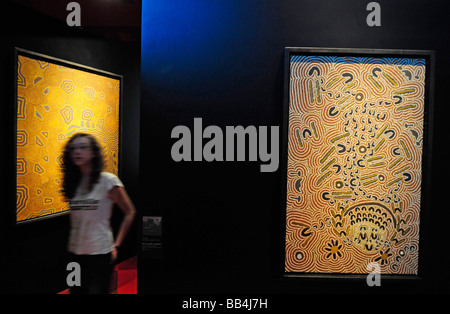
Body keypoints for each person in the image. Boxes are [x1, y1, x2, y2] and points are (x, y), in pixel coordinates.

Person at [61, 132, 136, 294]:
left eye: (83, 147)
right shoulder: (73, 183)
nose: (77, 152)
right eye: (74, 149)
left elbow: (130, 212)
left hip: (99, 254)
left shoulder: (108, 181)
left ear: (94, 152)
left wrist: (117, 245)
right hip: (74, 255)